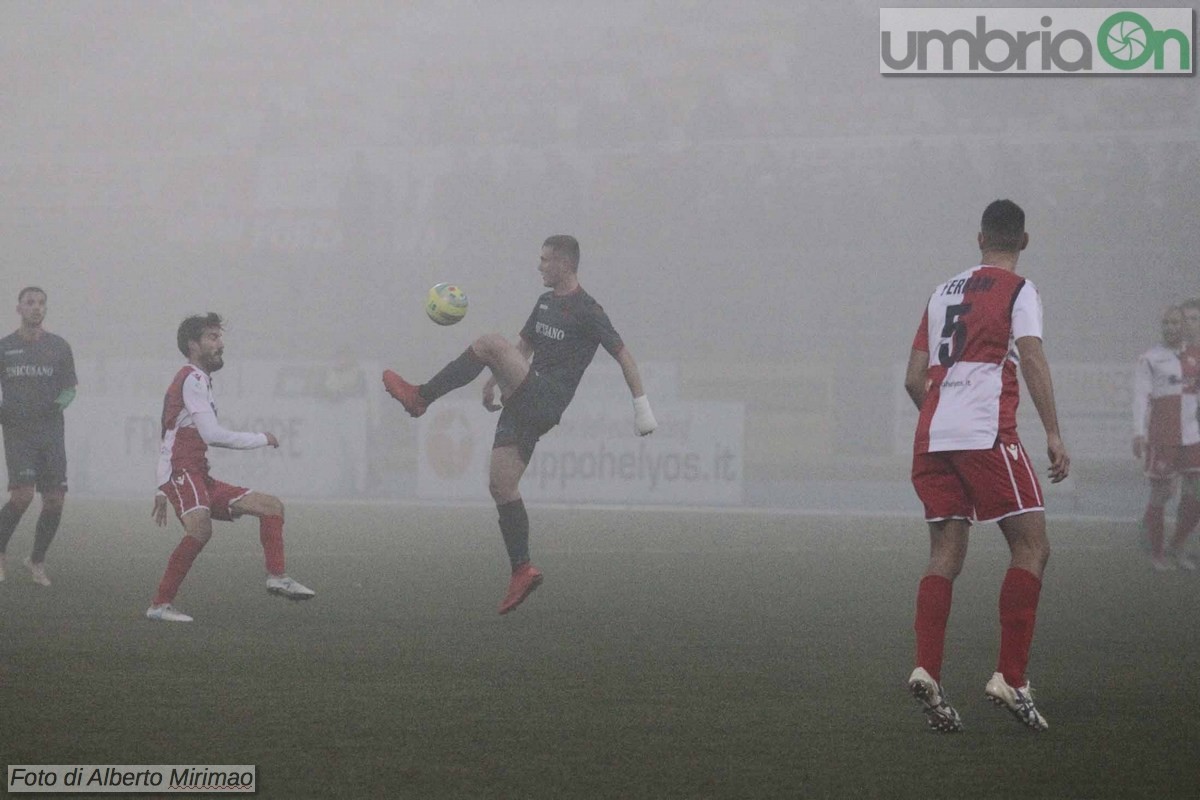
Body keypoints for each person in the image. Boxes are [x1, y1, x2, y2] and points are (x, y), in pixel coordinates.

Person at [382, 235, 657, 614]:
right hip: (524, 397)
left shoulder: (589, 310)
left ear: (565, 264)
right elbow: (524, 347)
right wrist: (494, 381)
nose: (539, 265)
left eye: (545, 260)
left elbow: (624, 356)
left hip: (545, 399)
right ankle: (522, 570)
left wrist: (641, 407)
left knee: (489, 342)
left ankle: (421, 397)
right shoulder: (544, 302)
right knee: (501, 484)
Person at [903, 200, 1070, 733]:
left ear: (978, 238)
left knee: (945, 553)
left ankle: (927, 667)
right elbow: (1032, 354)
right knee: (1032, 545)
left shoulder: (941, 291)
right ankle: (1012, 678)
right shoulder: (1019, 290)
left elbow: (913, 378)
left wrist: (943, 416)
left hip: (932, 435)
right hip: (984, 432)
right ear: (1024, 242)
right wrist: (1052, 432)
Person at [146, 313, 315, 623]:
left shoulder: (197, 379)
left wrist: (160, 485)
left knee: (271, 506)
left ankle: (277, 576)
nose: (220, 344)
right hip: (183, 471)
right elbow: (212, 435)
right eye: (212, 338)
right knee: (201, 529)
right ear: (192, 344)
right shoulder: (192, 378)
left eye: (219, 337)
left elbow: (168, 430)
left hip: (196, 472)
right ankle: (159, 604)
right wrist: (261, 438)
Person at [0, 287, 77, 586]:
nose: (36, 308)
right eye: (30, 303)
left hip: (50, 434)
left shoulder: (59, 346)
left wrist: (55, 406)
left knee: (55, 501)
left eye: (41, 303)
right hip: (19, 434)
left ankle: (36, 560)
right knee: (22, 497)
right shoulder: (5, 347)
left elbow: (70, 388)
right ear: (18, 308)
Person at [1132, 304, 1200, 571]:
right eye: (1166, 323)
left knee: (1196, 494)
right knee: (1161, 493)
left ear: (1184, 326)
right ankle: (1157, 553)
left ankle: (1178, 546)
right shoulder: (1150, 358)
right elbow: (1140, 397)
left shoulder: (1195, 356)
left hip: (1193, 436)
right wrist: (1138, 432)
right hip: (1163, 437)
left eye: (1176, 323)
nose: (1171, 328)